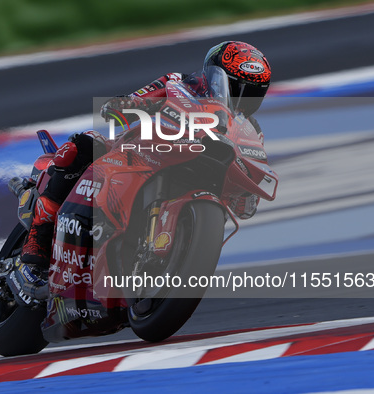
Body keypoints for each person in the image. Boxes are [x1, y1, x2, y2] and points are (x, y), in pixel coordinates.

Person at [19, 40, 271, 272]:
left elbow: (248, 197)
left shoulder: (251, 131)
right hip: (141, 151)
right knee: (83, 144)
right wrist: (128, 105)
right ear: (213, 75)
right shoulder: (179, 84)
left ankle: (171, 253)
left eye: (253, 93)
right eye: (236, 87)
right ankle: (38, 234)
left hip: (199, 173)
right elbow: (131, 101)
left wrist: (247, 190)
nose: (243, 99)